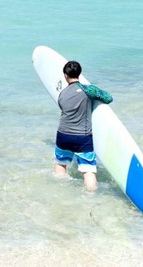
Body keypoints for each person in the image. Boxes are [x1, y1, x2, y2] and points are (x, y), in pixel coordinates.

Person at [54, 60, 113, 191]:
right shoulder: (88, 90)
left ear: (65, 75)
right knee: (88, 170)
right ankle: (90, 197)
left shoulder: (62, 94)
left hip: (62, 135)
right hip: (82, 137)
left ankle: (59, 191)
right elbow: (108, 98)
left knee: (61, 163)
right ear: (80, 73)